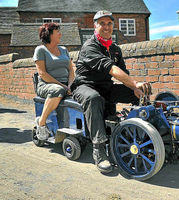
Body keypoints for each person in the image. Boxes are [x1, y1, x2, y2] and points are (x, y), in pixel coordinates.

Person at [71, 10, 151, 173]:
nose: (106, 27)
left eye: (109, 23)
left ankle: (141, 135)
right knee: (94, 98)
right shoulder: (90, 47)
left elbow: (123, 73)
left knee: (137, 94)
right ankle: (99, 149)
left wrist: (135, 88)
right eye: (102, 23)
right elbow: (113, 69)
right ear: (95, 26)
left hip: (105, 87)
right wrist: (135, 83)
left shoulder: (115, 49)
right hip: (85, 87)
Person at [33, 22, 75, 140]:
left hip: (66, 84)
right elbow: (42, 74)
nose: (60, 34)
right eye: (58, 32)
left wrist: (70, 85)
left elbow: (71, 71)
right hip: (46, 84)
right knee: (58, 90)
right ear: (49, 34)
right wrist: (64, 86)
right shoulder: (40, 50)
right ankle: (41, 122)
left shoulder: (64, 49)